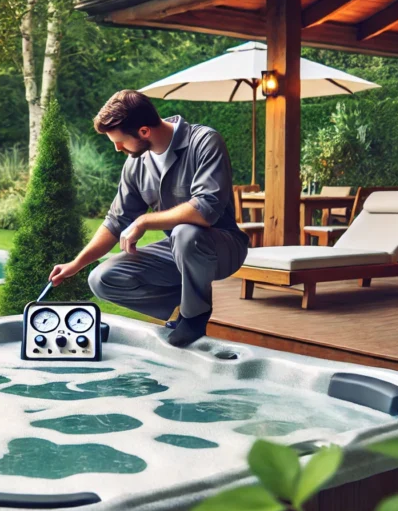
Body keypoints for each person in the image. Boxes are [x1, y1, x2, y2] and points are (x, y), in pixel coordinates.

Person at [49, 90, 250, 347]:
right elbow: (115, 221)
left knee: (185, 233)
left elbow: (205, 209)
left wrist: (144, 221)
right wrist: (75, 265)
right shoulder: (137, 164)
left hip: (223, 246)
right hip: (177, 252)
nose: (117, 148)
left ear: (144, 131)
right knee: (101, 279)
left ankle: (194, 315)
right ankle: (190, 294)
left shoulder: (205, 141)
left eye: (120, 141)